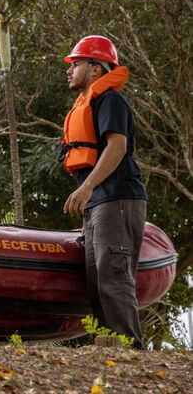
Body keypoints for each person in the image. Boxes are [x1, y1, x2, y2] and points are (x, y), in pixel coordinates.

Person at [58, 35, 147, 349]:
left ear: (96, 69)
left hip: (117, 198)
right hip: (97, 202)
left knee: (113, 275)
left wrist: (87, 186)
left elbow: (117, 147)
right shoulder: (87, 102)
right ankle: (111, 348)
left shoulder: (109, 100)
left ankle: (131, 350)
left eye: (76, 63)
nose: (69, 70)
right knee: (96, 279)